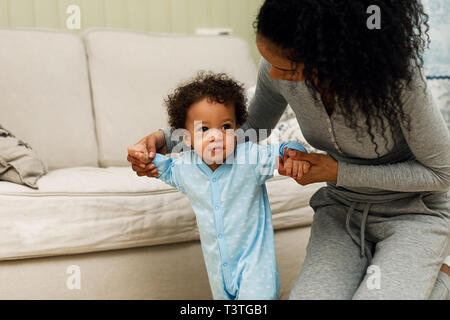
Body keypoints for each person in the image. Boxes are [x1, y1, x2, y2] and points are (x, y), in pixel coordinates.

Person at [128, 0, 450, 299]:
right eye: (267, 61)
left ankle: (442, 278)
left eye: (288, 69)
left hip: (415, 213)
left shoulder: (399, 82)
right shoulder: (275, 72)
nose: (274, 75)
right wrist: (165, 139)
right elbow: (246, 132)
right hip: (343, 210)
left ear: (332, 58)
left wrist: (337, 171)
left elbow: (443, 173)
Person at [135, 72, 310, 300]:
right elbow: (164, 167)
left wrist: (294, 154)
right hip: (218, 274)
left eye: (226, 126)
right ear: (185, 138)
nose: (216, 136)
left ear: (237, 130)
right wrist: (144, 156)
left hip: (255, 273)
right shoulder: (185, 167)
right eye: (204, 129)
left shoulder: (249, 158)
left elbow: (283, 149)